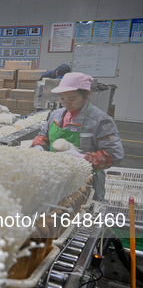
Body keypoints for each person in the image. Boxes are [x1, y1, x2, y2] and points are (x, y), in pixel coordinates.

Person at [31, 72, 124, 201]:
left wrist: (82, 158)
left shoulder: (100, 121)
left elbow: (114, 154)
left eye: (72, 99)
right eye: (62, 98)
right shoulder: (56, 115)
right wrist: (39, 145)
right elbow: (43, 134)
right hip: (56, 177)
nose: (66, 103)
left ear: (86, 94)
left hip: (85, 182)